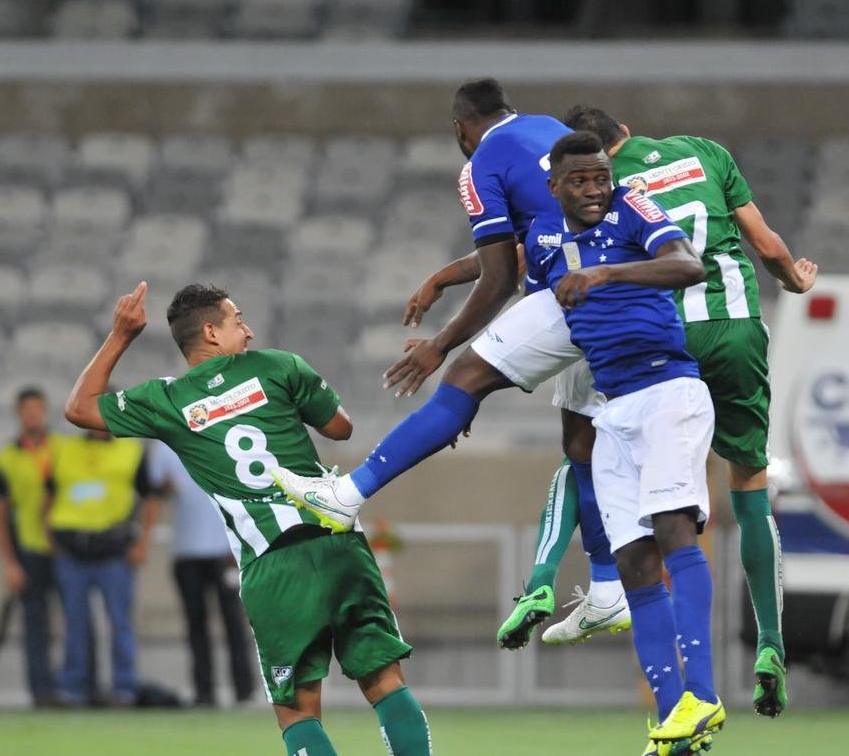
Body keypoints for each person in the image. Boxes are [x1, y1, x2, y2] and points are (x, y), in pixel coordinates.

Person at [272, 79, 630, 647]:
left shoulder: (480, 162)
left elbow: (500, 280)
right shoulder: (552, 132)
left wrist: (441, 346)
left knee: (465, 375)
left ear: (460, 129)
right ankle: (609, 588)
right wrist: (443, 275)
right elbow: (524, 240)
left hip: (579, 292)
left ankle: (346, 495)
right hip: (630, 290)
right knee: (582, 444)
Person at [64, 283, 431, 756]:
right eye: (238, 320)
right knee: (384, 679)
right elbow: (340, 427)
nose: (250, 330)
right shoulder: (279, 366)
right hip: (339, 542)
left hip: (272, 563)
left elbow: (78, 408)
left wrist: (120, 335)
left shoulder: (169, 401)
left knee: (298, 710)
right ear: (212, 332)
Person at [538, 105, 816, 715]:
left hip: (655, 342)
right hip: (734, 326)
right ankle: (770, 639)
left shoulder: (604, 188)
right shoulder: (707, 152)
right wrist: (793, 280)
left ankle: (597, 585)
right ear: (628, 130)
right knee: (749, 484)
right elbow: (766, 244)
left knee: (590, 449)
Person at [524, 131, 719, 756]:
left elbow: (690, 265)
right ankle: (672, 726)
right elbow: (527, 311)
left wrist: (608, 273)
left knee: (671, 530)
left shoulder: (633, 208)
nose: (594, 189)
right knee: (633, 562)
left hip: (669, 392)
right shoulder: (542, 242)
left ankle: (705, 696)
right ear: (553, 185)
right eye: (579, 180)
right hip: (613, 412)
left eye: (600, 176)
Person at [45, 423, 159, 706]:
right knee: (75, 624)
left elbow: (151, 498)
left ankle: (124, 688)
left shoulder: (131, 450)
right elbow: (49, 495)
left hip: (113, 552)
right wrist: (50, 536)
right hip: (72, 552)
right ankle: (74, 688)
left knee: (120, 622)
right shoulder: (64, 449)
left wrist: (143, 542)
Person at [148, 438, 256, 707]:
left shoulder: (222, 440)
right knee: (196, 624)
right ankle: (204, 691)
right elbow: (154, 491)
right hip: (186, 552)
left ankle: (244, 690)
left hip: (224, 552)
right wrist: (164, 490)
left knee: (233, 621)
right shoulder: (165, 447)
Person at [0, 387, 63, 707]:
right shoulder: (6, 458)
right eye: (27, 410)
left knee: (77, 621)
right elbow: (1, 515)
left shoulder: (63, 450)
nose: (33, 415)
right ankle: (41, 692)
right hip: (30, 550)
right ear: (18, 414)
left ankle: (76, 688)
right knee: (36, 625)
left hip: (64, 548)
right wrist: (10, 563)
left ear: (45, 412)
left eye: (38, 409)